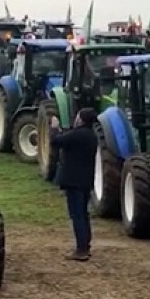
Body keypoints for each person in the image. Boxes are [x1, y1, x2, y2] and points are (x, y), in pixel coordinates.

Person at [48, 107, 99, 261]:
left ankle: (81, 250)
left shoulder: (77, 134)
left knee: (77, 216)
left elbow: (55, 141)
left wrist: (55, 128)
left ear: (81, 119)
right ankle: (86, 246)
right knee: (84, 214)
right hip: (86, 181)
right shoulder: (91, 136)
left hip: (73, 181)